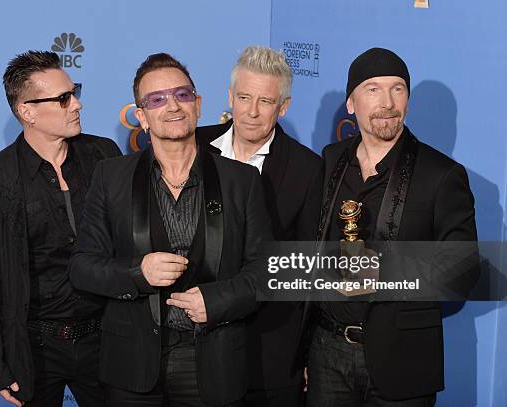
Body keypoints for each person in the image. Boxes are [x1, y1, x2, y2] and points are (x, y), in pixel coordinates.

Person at [69, 52, 272, 406]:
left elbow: (265, 270)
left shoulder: (242, 181)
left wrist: (218, 300)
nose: (172, 106)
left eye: (182, 95)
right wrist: (137, 273)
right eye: (157, 99)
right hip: (133, 366)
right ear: (141, 117)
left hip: (215, 362)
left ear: (198, 104)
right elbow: (83, 266)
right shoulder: (111, 177)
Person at [307, 47, 478, 406]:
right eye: (372, 88)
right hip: (327, 355)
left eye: (397, 88)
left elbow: (462, 271)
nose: (387, 102)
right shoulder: (330, 160)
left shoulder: (441, 175)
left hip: (403, 363)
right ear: (351, 103)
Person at [0, 50, 121, 406]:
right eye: (63, 98)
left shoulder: (105, 156)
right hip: (35, 350)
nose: (76, 104)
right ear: (27, 112)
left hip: (107, 338)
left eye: (74, 91)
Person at [196, 46, 322, 406]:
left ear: (282, 107)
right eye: (244, 97)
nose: (251, 112)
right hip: (190, 345)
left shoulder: (307, 169)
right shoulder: (194, 146)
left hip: (268, 351)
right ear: (230, 96)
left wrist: (306, 353)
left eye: (265, 101)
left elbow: (305, 271)